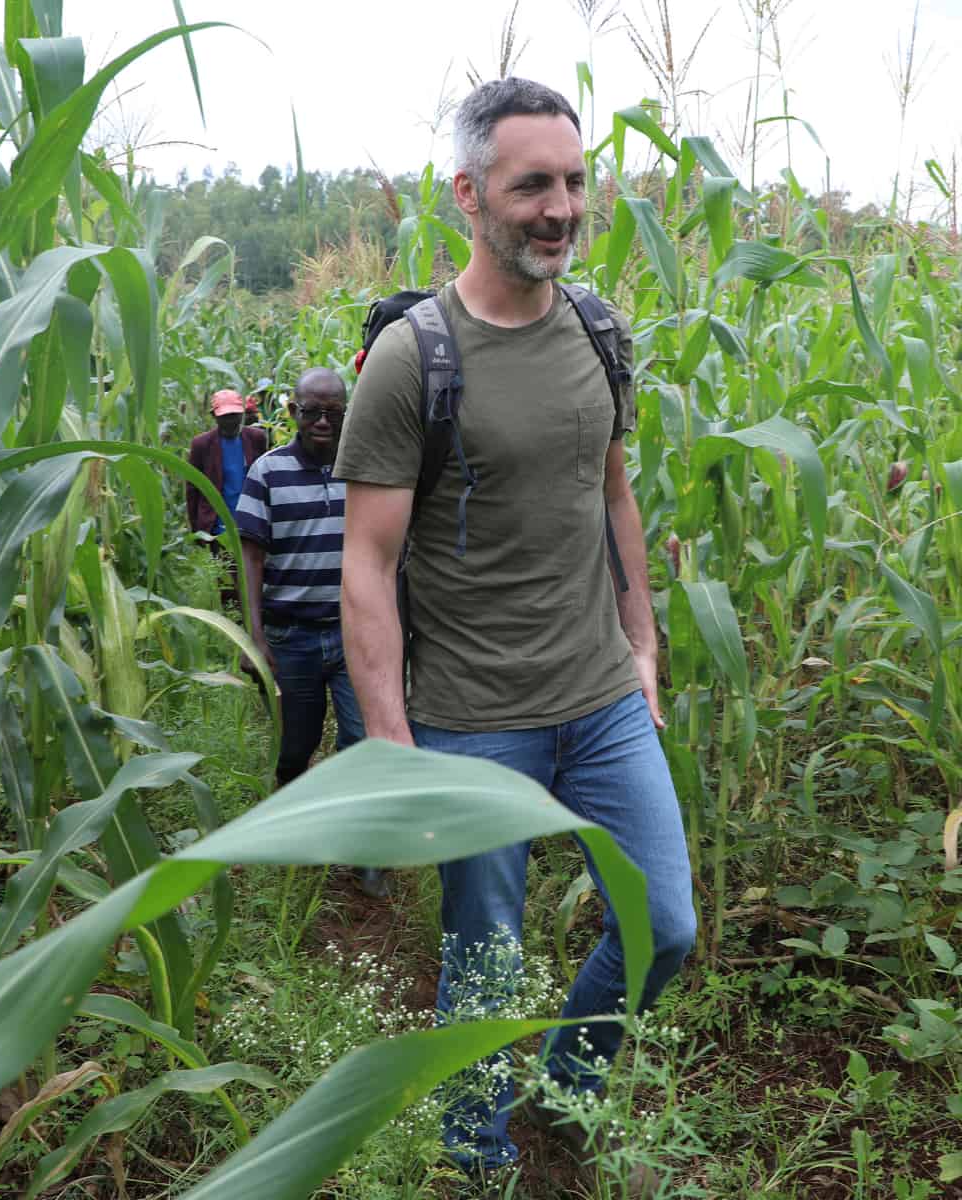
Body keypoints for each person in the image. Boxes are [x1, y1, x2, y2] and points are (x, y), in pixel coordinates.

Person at [335, 78, 695, 1193]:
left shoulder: (599, 331)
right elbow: (368, 564)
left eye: (576, 181)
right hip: (473, 723)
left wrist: (642, 638)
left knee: (667, 926)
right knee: (484, 964)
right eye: (532, 183)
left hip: (598, 700)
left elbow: (613, 494)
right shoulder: (414, 359)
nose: (561, 207)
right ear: (468, 194)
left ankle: (563, 1089)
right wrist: (391, 742)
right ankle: (478, 1155)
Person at [236, 368, 387, 899]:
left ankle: (367, 854)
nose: (322, 421)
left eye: (333, 411)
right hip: (291, 634)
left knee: (362, 743)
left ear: (347, 412)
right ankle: (298, 836)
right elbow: (250, 557)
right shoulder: (268, 471)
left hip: (352, 634)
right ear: (293, 411)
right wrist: (253, 636)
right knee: (295, 748)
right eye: (311, 411)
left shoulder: (365, 468)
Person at [186, 389, 268, 607]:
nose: (231, 422)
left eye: (235, 416)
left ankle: (256, 618)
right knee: (228, 583)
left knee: (256, 576)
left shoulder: (256, 438)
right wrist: (197, 529)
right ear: (214, 417)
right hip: (219, 526)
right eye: (224, 418)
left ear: (242, 415)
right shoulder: (202, 445)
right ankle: (236, 625)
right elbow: (193, 488)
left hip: (252, 521)